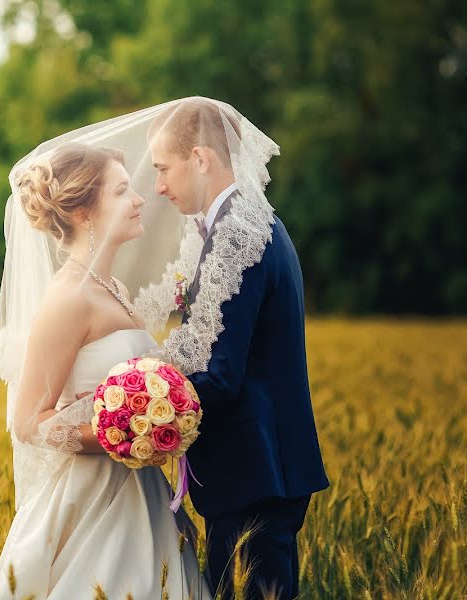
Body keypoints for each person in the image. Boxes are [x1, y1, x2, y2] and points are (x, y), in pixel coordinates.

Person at [0, 142, 209, 599]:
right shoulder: (68, 299)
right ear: (86, 213)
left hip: (141, 491)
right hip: (92, 500)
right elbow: (29, 420)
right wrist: (123, 436)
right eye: (122, 191)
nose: (139, 199)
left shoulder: (113, 287)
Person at [146, 97, 330, 599]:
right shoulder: (241, 222)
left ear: (201, 159)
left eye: (164, 168)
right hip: (257, 470)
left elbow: (221, 374)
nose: (159, 185)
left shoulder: (238, 234)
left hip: (254, 475)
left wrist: (146, 409)